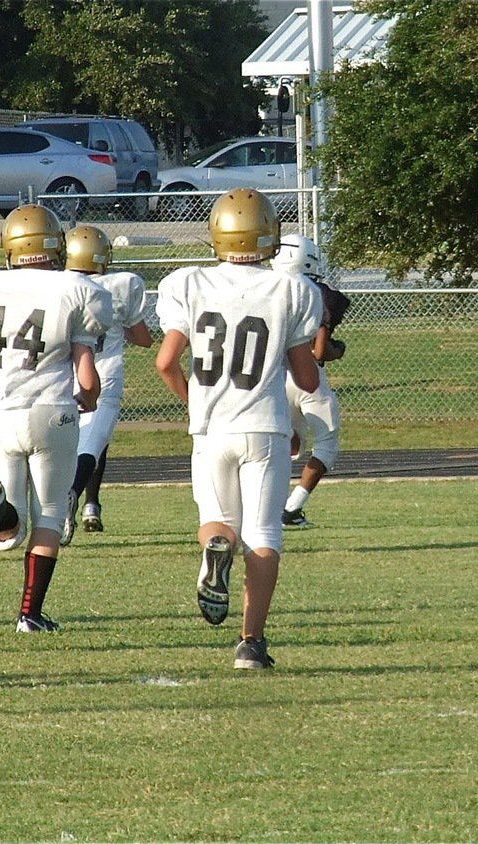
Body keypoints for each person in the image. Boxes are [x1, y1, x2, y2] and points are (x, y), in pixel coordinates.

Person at [155, 187, 321, 670]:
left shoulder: (191, 283)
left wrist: (198, 406)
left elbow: (166, 362)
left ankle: (214, 551)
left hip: (212, 429)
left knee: (217, 522)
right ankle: (251, 643)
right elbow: (306, 376)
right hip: (264, 426)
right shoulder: (291, 290)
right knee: (265, 532)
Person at [0, 204, 111, 633]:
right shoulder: (75, 289)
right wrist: (89, 399)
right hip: (51, 410)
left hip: (0, 412)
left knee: (10, 534)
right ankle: (29, 615)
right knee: (52, 515)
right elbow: (88, 375)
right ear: (56, 245)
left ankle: (0, 509)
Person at [59, 225, 153, 544]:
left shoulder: (58, 285)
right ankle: (78, 496)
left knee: (64, 442)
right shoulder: (120, 286)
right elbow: (144, 339)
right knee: (93, 442)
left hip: (65, 372)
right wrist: (119, 329)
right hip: (105, 371)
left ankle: (72, 501)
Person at [274, 233, 350, 529]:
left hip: (275, 377)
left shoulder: (263, 288)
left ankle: (272, 506)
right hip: (308, 378)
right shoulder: (318, 293)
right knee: (327, 446)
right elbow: (318, 351)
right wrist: (338, 350)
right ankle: (291, 509)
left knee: (283, 446)